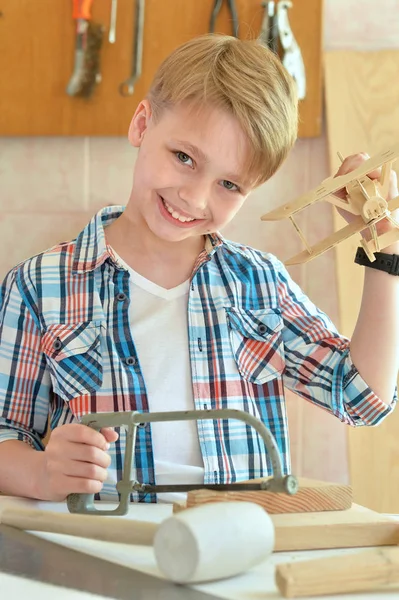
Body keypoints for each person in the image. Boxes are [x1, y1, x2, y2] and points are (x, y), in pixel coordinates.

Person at [0, 34, 398, 504]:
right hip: (105, 548)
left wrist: (385, 254)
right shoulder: (38, 284)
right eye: (184, 158)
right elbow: (6, 434)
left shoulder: (260, 283)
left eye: (229, 183)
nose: (195, 198)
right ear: (142, 125)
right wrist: (41, 472)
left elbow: (363, 399)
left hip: (238, 554)